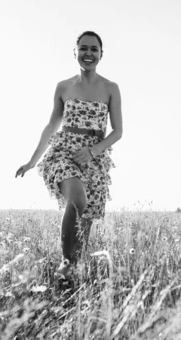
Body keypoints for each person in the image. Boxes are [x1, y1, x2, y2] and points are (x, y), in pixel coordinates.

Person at [15, 31, 123, 279]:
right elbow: (52, 125)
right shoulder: (63, 87)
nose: (88, 54)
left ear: (101, 55)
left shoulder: (111, 88)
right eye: (83, 48)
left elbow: (118, 132)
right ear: (75, 52)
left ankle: (72, 274)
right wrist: (32, 161)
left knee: (84, 221)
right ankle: (65, 262)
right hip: (64, 152)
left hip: (94, 157)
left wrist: (93, 152)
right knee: (77, 199)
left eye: (94, 49)